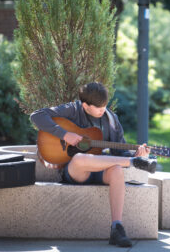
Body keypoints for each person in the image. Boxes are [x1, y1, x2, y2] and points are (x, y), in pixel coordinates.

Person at [30, 82, 157, 248]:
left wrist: (135, 153)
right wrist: (64, 134)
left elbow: (119, 153)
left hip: (100, 170)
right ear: (85, 105)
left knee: (117, 168)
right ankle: (136, 163)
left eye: (104, 105)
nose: (102, 110)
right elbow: (36, 116)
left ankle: (116, 228)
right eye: (98, 107)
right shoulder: (73, 110)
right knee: (81, 158)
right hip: (77, 171)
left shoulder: (111, 120)